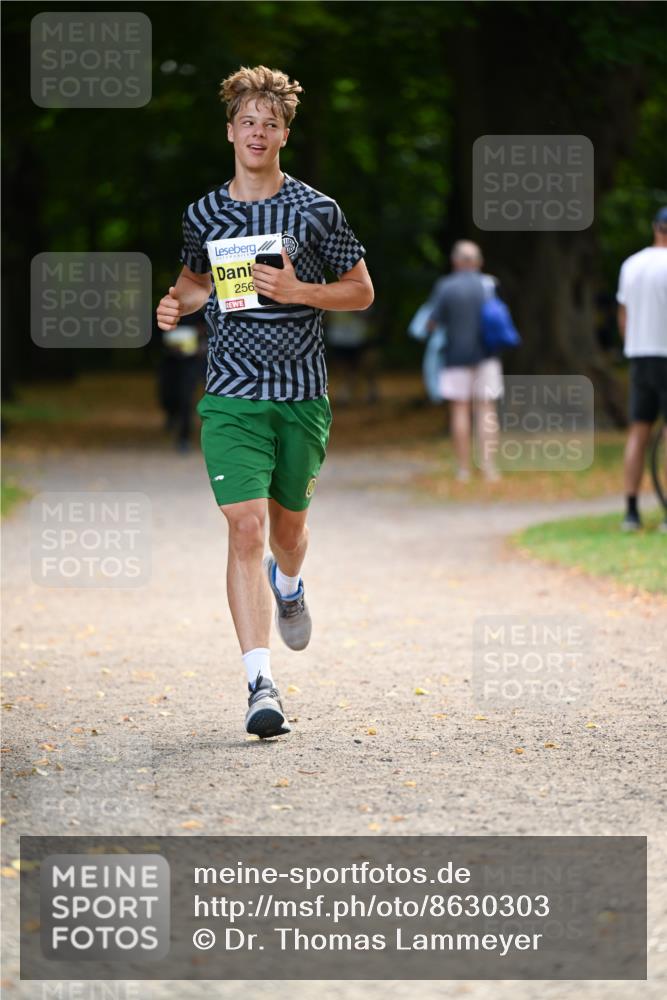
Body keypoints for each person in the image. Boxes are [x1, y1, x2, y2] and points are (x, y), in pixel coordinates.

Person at [156, 66, 373, 737]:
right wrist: (176, 301)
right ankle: (259, 682)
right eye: (247, 121)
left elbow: (360, 291)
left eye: (269, 123)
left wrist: (299, 292)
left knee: (287, 534)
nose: (257, 132)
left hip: (301, 396)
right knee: (245, 527)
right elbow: (196, 281)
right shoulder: (204, 213)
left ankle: (290, 585)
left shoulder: (316, 210)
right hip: (229, 395)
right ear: (230, 131)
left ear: (284, 133)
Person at [429, 240, 502, 481]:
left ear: (456, 261)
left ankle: (463, 469)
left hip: (455, 356)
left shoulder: (446, 287)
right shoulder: (488, 284)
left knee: (460, 410)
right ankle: (489, 468)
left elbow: (432, 323)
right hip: (487, 356)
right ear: (479, 262)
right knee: (487, 410)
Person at [616, 207, 667, 532]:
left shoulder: (631, 264)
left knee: (638, 432)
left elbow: (623, 316)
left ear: (655, 227)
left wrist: (631, 344)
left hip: (639, 354)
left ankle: (631, 511)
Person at [157, 310, 206, 452]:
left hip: (191, 363)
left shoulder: (199, 310)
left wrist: (199, 346)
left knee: (186, 398)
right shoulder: (165, 308)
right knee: (168, 394)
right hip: (170, 361)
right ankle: (171, 414)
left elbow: (208, 330)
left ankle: (183, 438)